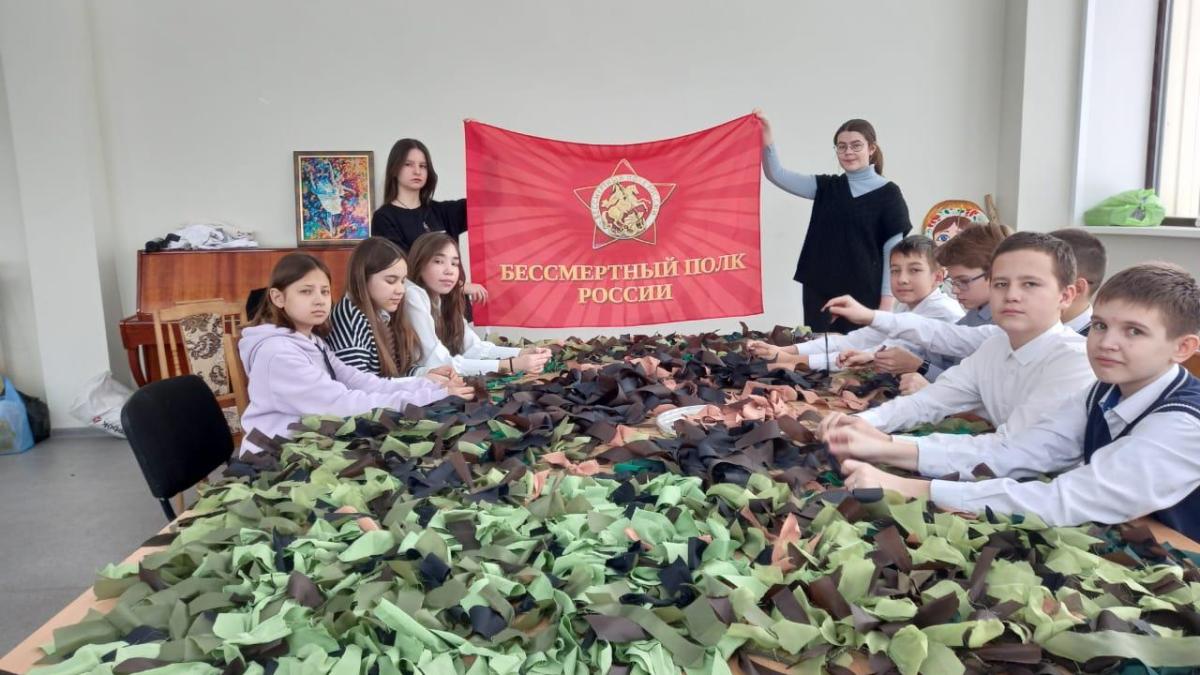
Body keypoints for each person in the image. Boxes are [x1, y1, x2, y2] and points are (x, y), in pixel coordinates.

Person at [830, 263, 1200, 539]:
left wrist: (915, 488)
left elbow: (1065, 499)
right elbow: (1020, 451)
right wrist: (886, 447)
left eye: (1134, 331)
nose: (1106, 343)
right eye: (1101, 325)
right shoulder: (1103, 391)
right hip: (1137, 534)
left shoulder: (1181, 424)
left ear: (1183, 348)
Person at [819, 232, 1096, 454]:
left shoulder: (1075, 359)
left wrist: (887, 446)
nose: (1012, 295)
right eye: (1001, 284)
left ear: (1066, 296)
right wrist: (859, 422)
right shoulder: (994, 347)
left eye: (1030, 284)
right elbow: (929, 401)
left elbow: (1011, 449)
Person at [238, 253, 472, 454]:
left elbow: (362, 382)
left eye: (325, 291)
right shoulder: (278, 354)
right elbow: (343, 403)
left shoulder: (312, 342)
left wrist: (432, 387)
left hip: (313, 441)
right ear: (278, 298)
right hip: (278, 457)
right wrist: (427, 396)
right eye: (306, 291)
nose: (319, 300)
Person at [757, 110, 912, 332]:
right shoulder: (826, 187)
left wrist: (886, 305)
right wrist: (767, 138)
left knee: (858, 353)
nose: (848, 152)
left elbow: (892, 253)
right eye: (841, 146)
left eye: (856, 145)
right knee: (821, 349)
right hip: (819, 291)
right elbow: (776, 174)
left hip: (865, 294)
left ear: (871, 149)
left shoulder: (889, 194)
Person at [746, 235, 962, 370]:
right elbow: (859, 339)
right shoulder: (906, 305)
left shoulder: (942, 312)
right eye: (895, 271)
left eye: (914, 270)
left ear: (938, 277)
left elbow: (882, 353)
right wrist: (787, 350)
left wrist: (791, 360)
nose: (902, 279)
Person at [405, 232, 551, 376]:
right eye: (438, 261)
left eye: (454, 263)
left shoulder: (444, 299)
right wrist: (511, 364)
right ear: (419, 263)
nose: (449, 271)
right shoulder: (412, 295)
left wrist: (523, 353)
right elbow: (439, 363)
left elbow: (473, 348)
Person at [371, 138, 488, 306]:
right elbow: (401, 268)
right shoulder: (384, 217)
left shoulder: (444, 212)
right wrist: (460, 286)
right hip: (417, 308)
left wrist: (483, 148)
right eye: (408, 164)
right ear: (395, 169)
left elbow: (488, 201)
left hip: (454, 308)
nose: (417, 171)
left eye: (423, 166)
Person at [327, 237, 433, 378]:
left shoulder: (384, 312)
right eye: (391, 281)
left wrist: (426, 374)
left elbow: (399, 372)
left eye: (403, 281)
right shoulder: (350, 316)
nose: (401, 290)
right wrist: (421, 382)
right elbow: (358, 383)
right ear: (364, 277)